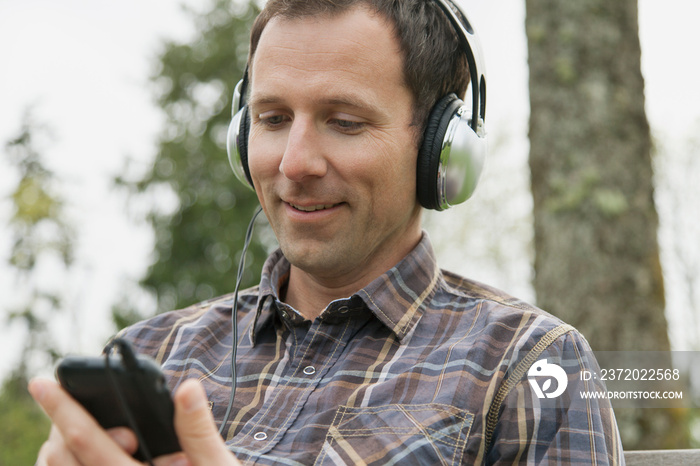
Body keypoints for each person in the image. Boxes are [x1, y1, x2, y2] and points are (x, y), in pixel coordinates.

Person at [30, 0, 625, 464]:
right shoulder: (151, 354)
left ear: (443, 152)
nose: (294, 162)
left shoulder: (529, 367)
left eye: (344, 122)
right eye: (272, 119)